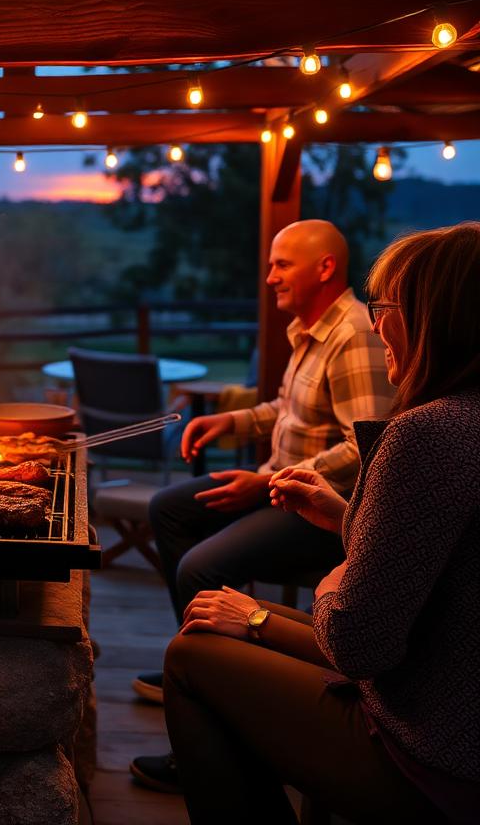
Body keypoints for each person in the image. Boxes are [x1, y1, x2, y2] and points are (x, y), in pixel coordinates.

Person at [160, 222, 480, 824]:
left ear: (439, 316)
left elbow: (361, 645)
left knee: (193, 651)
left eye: (387, 305)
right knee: (210, 606)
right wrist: (348, 520)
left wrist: (305, 591)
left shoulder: (430, 433)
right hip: (444, 694)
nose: (377, 321)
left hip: (433, 750)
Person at [131, 220, 394, 792]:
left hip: (322, 510)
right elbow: (288, 408)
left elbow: (365, 443)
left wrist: (265, 479)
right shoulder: (310, 329)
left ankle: (216, 709)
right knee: (169, 508)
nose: (269, 275)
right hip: (278, 486)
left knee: (200, 566)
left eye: (281, 264)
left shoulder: (353, 336)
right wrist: (234, 420)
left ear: (325, 268)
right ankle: (197, 661)